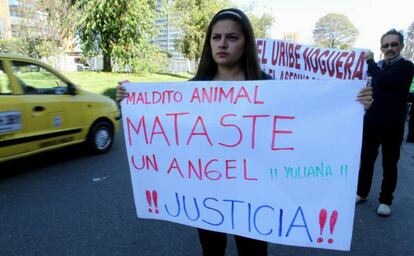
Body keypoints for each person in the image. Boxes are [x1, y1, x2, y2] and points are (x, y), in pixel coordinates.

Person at [116, 8, 373, 256]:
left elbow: (308, 123)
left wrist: (352, 106)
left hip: (256, 194)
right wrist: (132, 101)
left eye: (232, 37)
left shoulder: (269, 88)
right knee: (211, 249)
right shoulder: (191, 92)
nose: (222, 44)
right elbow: (168, 125)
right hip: (206, 192)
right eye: (216, 37)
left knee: (253, 251)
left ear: (246, 43)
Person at [356, 29, 414, 216]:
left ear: (401, 46)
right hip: (372, 121)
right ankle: (362, 192)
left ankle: (385, 200)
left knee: (390, 164)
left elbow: (386, 81)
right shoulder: (379, 66)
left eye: (394, 44)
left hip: (393, 125)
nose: (389, 48)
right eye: (385, 45)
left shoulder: (406, 66)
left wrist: (370, 62)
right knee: (366, 160)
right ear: (381, 47)